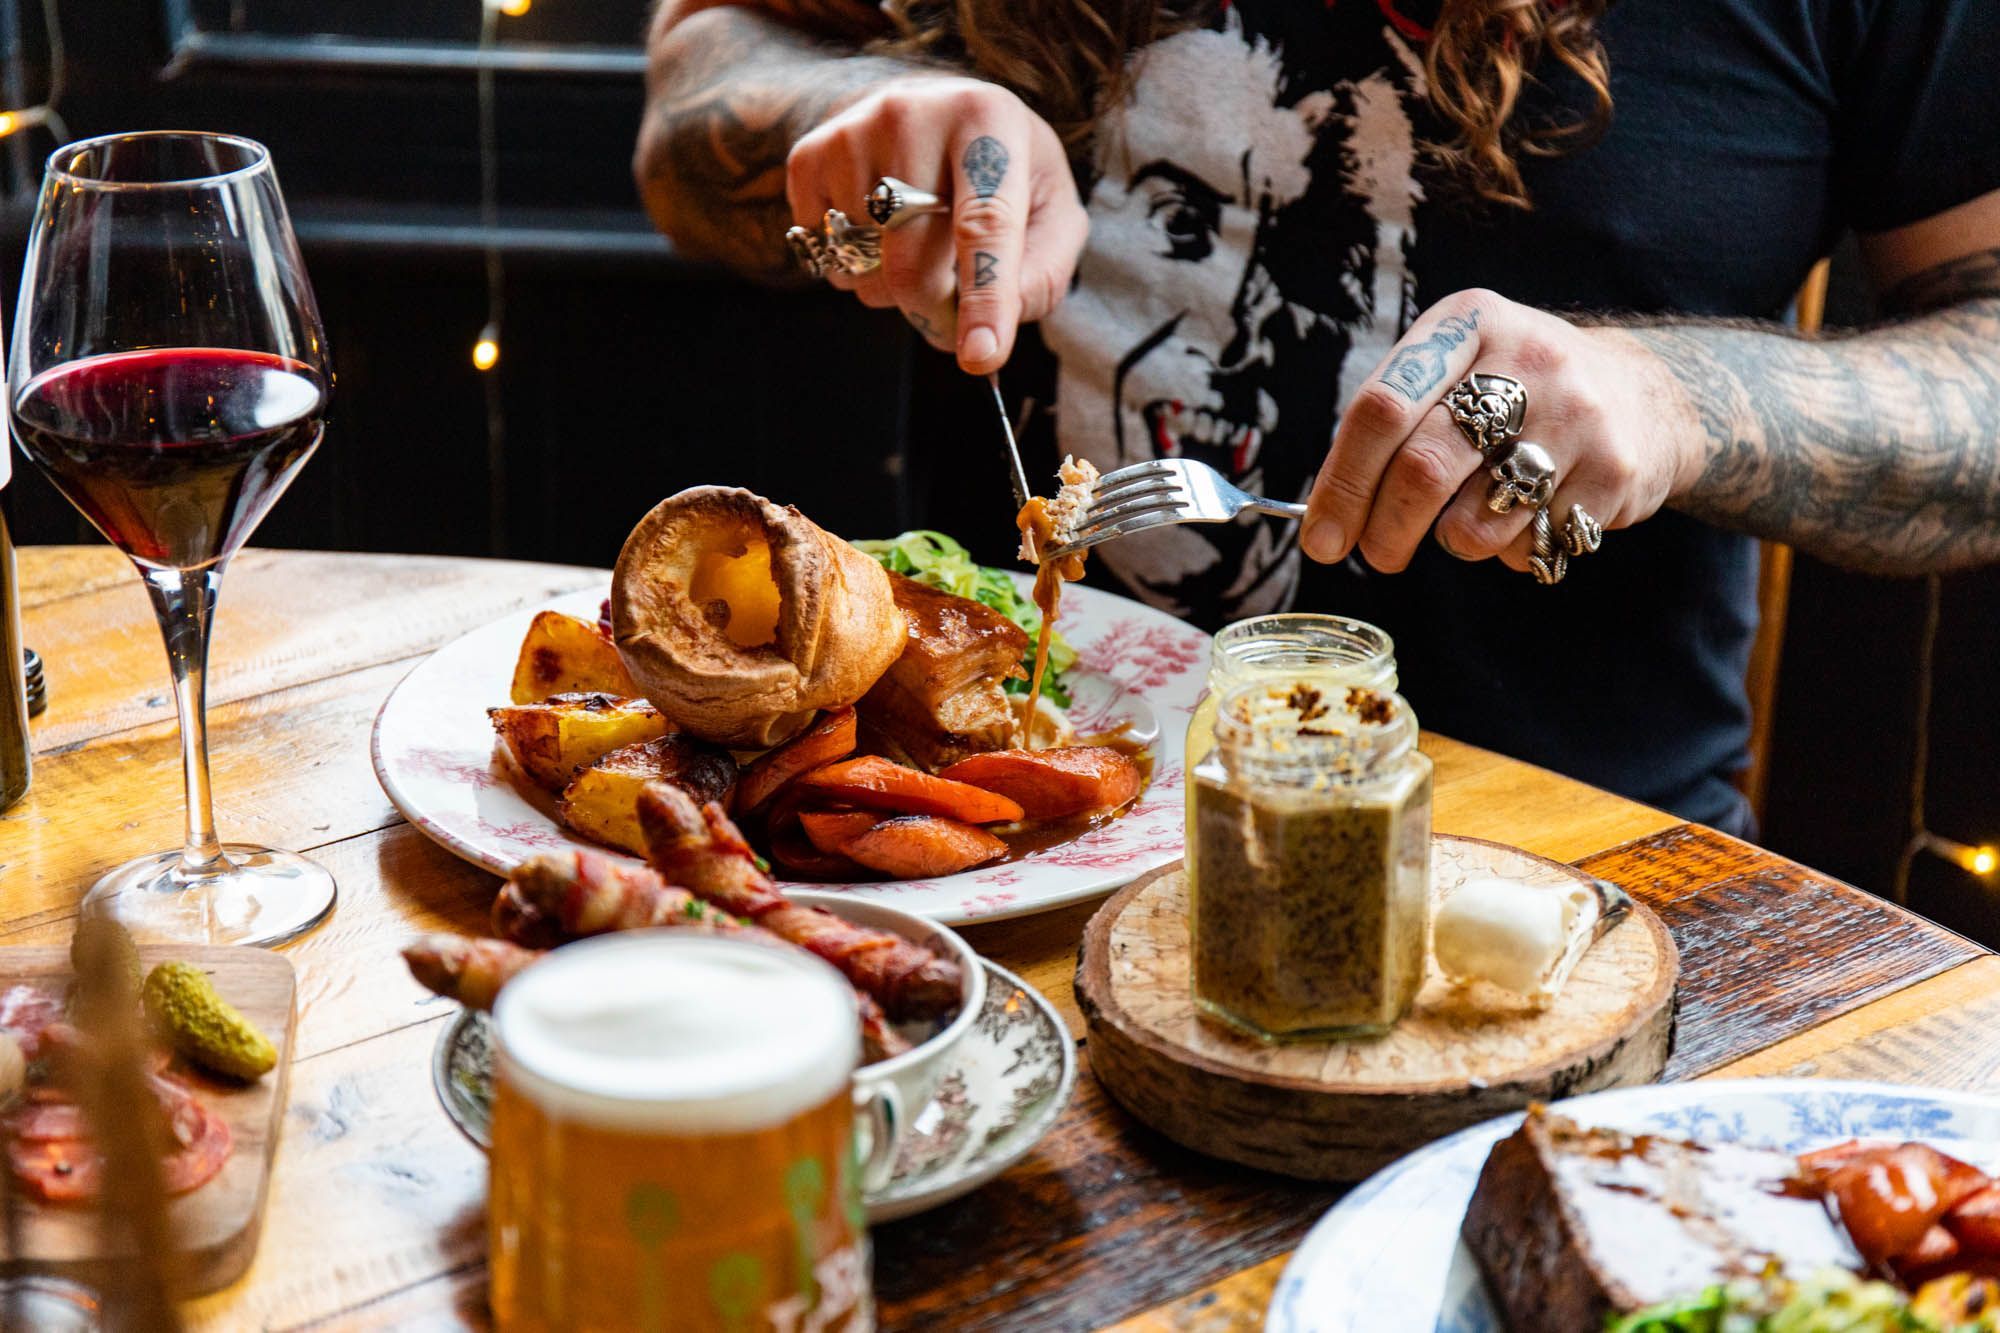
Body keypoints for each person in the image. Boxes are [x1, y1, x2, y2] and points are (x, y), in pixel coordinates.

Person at [633, 0, 2000, 836]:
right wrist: (854, 117)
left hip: (1553, 897)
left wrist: (1681, 399)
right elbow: (697, 82)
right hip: (979, 851)